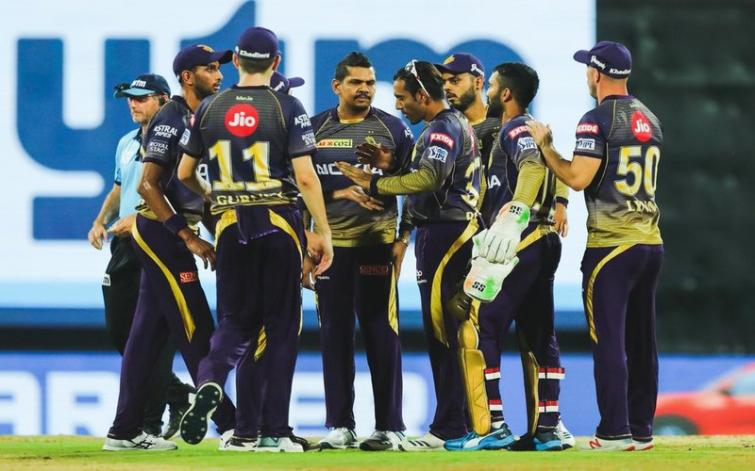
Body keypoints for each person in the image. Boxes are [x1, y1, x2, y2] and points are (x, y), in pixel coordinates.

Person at [177, 26, 333, 453]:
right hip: (278, 222)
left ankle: (214, 387)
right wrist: (323, 231)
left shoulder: (209, 107)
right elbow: (305, 176)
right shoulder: (286, 106)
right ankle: (274, 431)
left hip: (230, 224)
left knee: (234, 322)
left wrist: (215, 198)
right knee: (281, 328)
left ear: (235, 62)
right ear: (276, 62)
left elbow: (184, 173)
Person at [525, 41, 663, 451]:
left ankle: (615, 431)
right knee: (643, 342)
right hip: (650, 243)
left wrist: (546, 145)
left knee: (609, 342)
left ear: (597, 74)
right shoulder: (649, 118)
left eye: (588, 68)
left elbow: (577, 177)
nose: (587, 74)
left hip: (612, 248)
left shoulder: (596, 119)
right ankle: (641, 429)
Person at [338, 60, 482, 451]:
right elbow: (430, 176)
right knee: (446, 330)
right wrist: (392, 165)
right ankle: (459, 422)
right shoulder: (444, 126)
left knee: (443, 331)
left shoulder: (442, 129)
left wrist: (375, 182)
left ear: (422, 95)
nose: (399, 105)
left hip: (447, 235)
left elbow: (430, 179)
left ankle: (449, 427)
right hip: (446, 232)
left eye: (402, 98)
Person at [103, 44, 236, 452]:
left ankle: (124, 430)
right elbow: (148, 185)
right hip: (160, 233)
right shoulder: (170, 117)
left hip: (171, 231)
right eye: (210, 69)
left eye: (219, 68)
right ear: (187, 77)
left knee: (146, 335)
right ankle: (233, 424)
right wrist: (188, 236)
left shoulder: (202, 117)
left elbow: (201, 193)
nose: (219, 75)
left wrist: (218, 233)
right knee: (195, 326)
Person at [446, 62, 572, 451]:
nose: (486, 94)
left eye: (491, 87)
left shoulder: (515, 128)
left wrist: (514, 214)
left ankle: (491, 425)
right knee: (539, 332)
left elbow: (532, 168)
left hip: (520, 240)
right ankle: (547, 427)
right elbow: (553, 164)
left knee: (480, 322)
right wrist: (560, 203)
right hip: (543, 239)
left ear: (505, 94)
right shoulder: (532, 129)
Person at [305, 52, 413, 451]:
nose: (365, 89)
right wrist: (304, 242)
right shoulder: (314, 129)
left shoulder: (393, 128)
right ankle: (340, 426)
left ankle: (390, 427)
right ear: (337, 86)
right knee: (334, 335)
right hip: (330, 250)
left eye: (369, 82)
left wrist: (403, 239)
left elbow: (417, 185)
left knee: (381, 333)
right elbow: (299, 187)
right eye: (356, 82)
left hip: (377, 246)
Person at [88, 74, 194, 439]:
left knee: (155, 333)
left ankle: (148, 424)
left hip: (160, 239)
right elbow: (121, 187)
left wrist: (139, 218)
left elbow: (181, 192)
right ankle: (179, 395)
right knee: (122, 330)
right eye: (130, 99)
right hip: (125, 246)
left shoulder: (179, 142)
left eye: (141, 98)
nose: (133, 104)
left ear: (163, 100)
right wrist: (100, 220)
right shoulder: (127, 142)